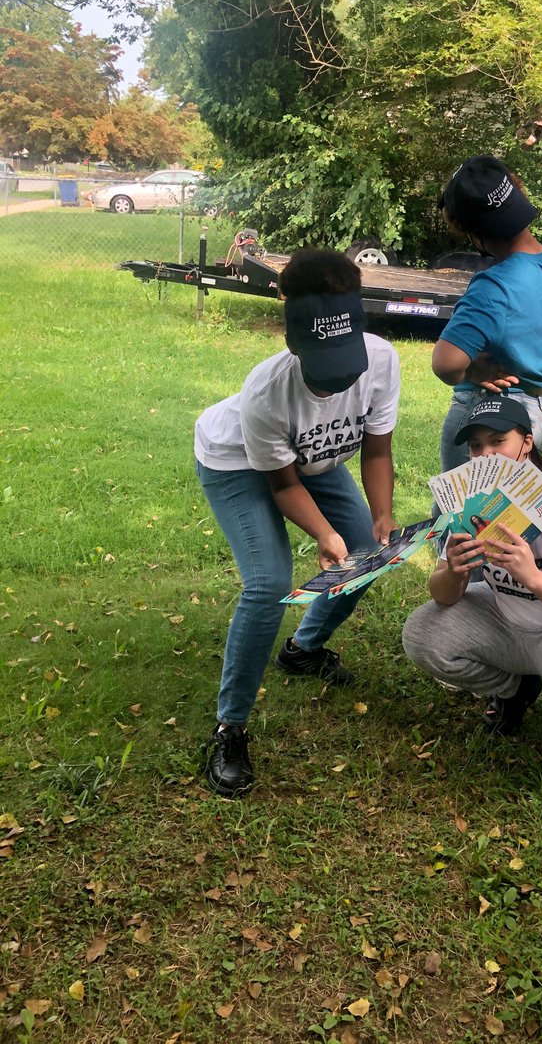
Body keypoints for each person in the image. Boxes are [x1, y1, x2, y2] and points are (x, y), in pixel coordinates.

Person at [194, 249, 400, 797]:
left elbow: (377, 450)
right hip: (239, 460)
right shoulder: (266, 390)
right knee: (267, 584)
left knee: (367, 555)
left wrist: (380, 516)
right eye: (322, 374)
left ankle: (303, 650)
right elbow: (284, 485)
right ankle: (230, 727)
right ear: (293, 344)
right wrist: (324, 535)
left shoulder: (381, 359)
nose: (335, 387)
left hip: (317, 457)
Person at [403, 396, 542, 807]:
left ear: (526, 443)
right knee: (423, 632)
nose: (485, 455)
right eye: (476, 447)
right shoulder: (469, 506)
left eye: (498, 441)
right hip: (510, 624)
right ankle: (515, 689)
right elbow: (441, 594)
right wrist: (453, 569)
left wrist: (532, 576)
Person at [431, 136, 542, 472]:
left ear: (472, 232)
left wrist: (475, 370)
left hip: (485, 416)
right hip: (533, 415)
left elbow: (445, 363)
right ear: (518, 196)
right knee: (510, 520)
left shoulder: (493, 287)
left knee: (460, 517)